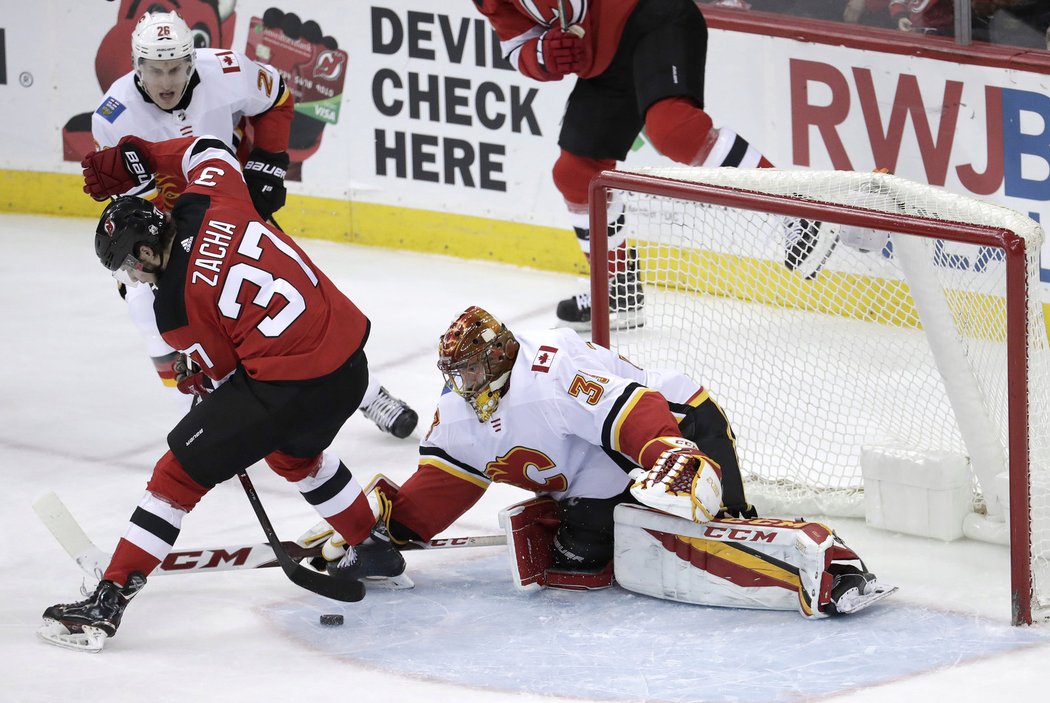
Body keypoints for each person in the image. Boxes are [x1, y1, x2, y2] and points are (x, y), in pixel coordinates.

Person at [38, 135, 405, 651]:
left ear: (145, 249)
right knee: (294, 456)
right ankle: (372, 548)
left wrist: (198, 381)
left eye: (129, 264)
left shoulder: (175, 311)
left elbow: (227, 378)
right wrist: (138, 156)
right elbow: (208, 147)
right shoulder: (210, 196)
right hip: (352, 364)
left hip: (295, 386)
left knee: (177, 474)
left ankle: (107, 601)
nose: (133, 277)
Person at [310, 306, 892, 617]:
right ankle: (626, 521)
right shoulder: (458, 413)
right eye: (453, 374)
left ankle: (825, 568)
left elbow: (635, 412)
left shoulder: (549, 374)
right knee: (580, 560)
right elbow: (441, 490)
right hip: (605, 467)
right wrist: (372, 526)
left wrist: (674, 458)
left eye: (469, 370)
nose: (460, 385)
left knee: (707, 531)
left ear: (497, 358)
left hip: (681, 425)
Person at [92, 10, 417, 437]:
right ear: (138, 67)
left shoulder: (225, 70)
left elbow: (277, 98)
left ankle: (368, 394)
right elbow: (135, 205)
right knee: (150, 315)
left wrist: (269, 164)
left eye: (175, 69)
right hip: (164, 231)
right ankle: (204, 421)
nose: (167, 81)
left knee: (293, 300)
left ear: (191, 61)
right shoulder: (113, 118)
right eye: (155, 71)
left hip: (228, 209)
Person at [472, 0, 838, 332]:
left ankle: (799, 205)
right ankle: (620, 289)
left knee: (674, 129)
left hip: (651, 14)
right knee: (575, 173)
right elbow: (518, 44)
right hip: (602, 60)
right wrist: (543, 56)